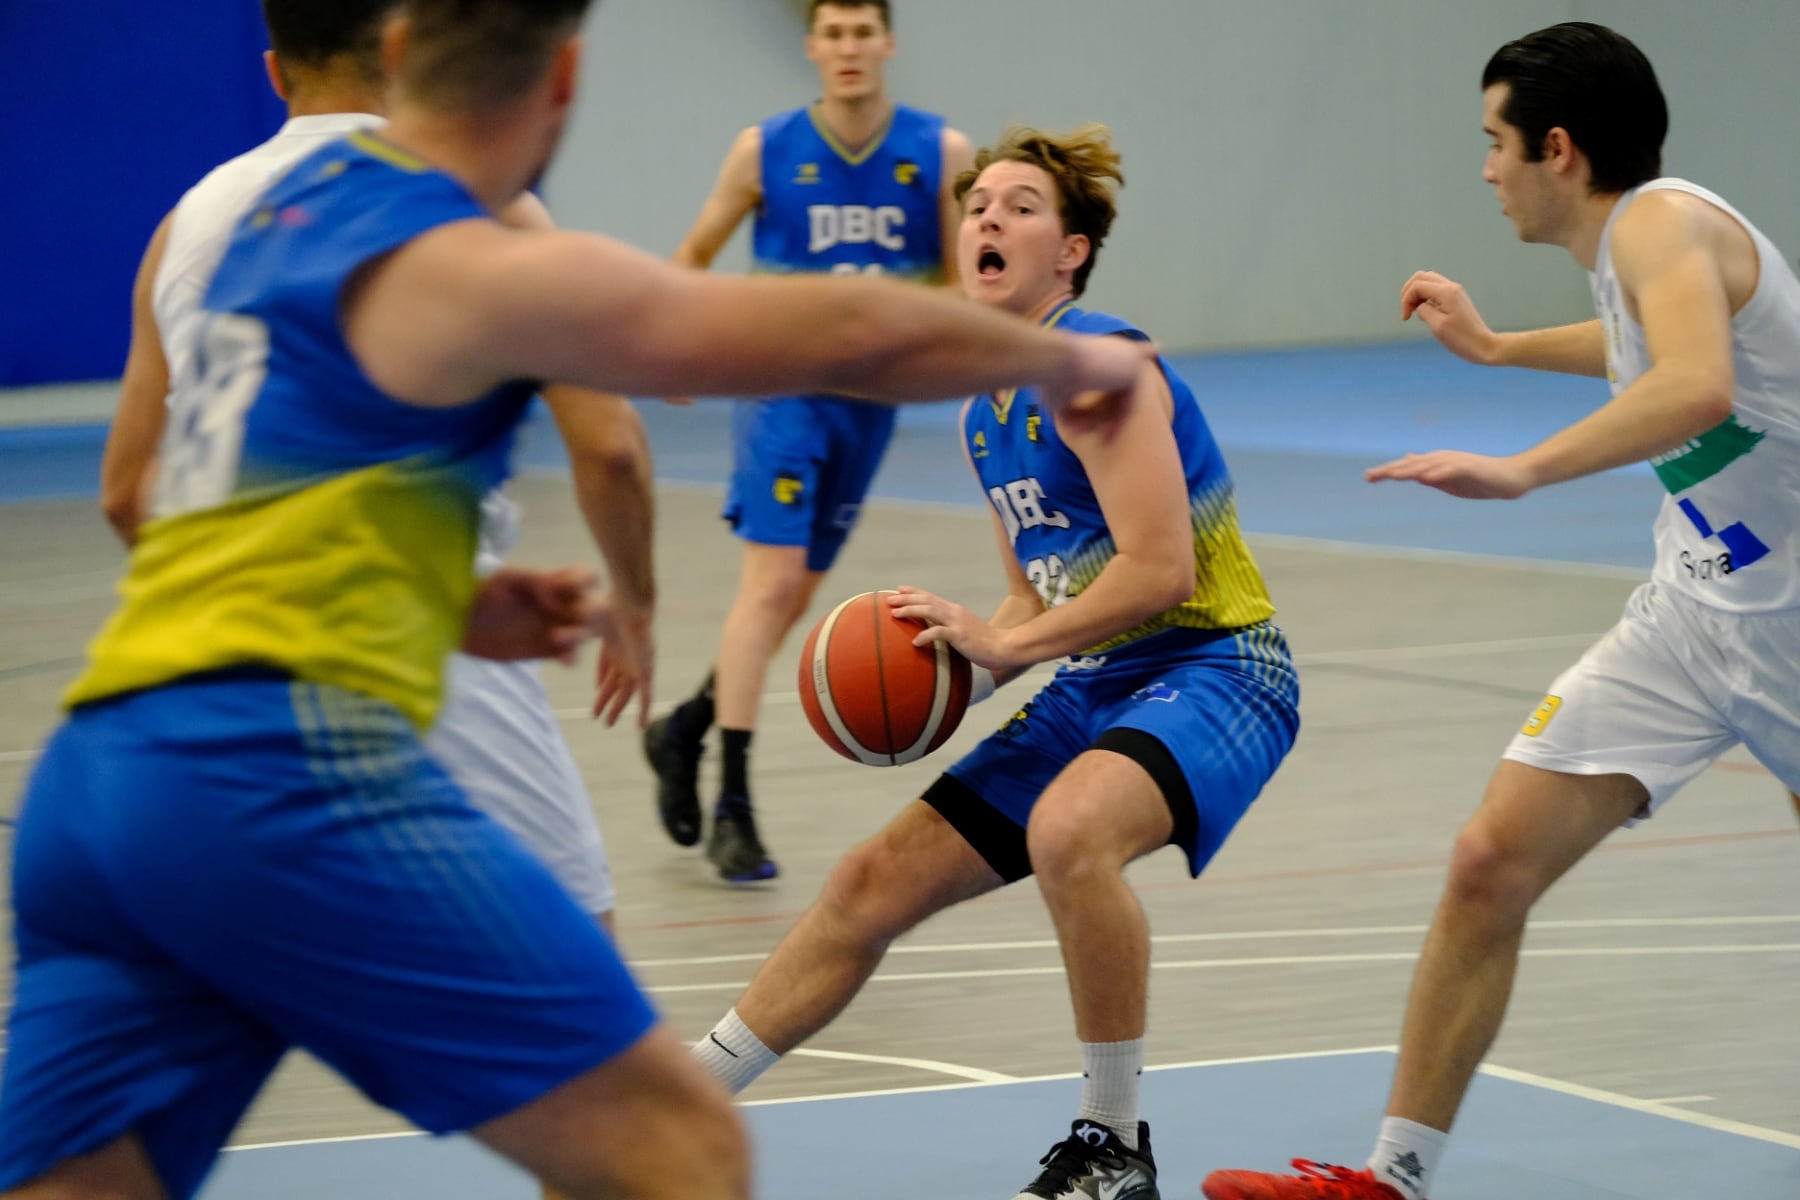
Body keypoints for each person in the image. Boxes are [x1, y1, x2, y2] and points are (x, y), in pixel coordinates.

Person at [0, 0, 1154, 1195]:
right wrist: (1072, 357)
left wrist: (446, 599)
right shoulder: (471, 250)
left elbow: (151, 497)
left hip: (98, 783)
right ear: (564, 78)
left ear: (397, 55)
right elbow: (844, 330)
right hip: (273, 774)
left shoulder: (244, 230)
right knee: (680, 1151)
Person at [1202, 22, 1800, 1200]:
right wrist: (1497, 348)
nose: (1485, 169)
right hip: (1694, 614)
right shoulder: (1634, 251)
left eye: (1494, 142)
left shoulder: (1663, 219)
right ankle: (1392, 1177)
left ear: (1559, 150)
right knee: (1488, 861)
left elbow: (1694, 383)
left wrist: (1522, 469)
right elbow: (1645, 348)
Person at [686, 125, 1300, 1200]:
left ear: (1070, 252)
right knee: (867, 883)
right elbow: (1040, 590)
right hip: (1102, 679)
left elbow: (1159, 571)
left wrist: (1011, 642)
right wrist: (958, 659)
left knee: (1071, 830)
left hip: (1221, 666)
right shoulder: (987, 407)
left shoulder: (1099, 366)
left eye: (1020, 206)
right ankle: (684, 1102)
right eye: (978, 207)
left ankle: (1114, 1147)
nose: (987, 220)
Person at [98, 0, 646, 938]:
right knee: (571, 965)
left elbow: (125, 492)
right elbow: (610, 443)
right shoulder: (471, 198)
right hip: (419, 631)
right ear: (407, 55)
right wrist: (632, 601)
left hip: (213, 663)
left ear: (275, 72)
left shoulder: (185, 225)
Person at [642, 0, 975, 883]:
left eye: (864, 32)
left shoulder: (939, 153)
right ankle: (734, 807)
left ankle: (685, 727)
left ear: (890, 44)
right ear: (812, 50)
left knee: (791, 600)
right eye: (834, 34)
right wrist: (668, 344)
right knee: (773, 586)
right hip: (782, 395)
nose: (850, 49)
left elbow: (960, 280)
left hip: (870, 407)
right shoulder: (766, 149)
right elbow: (694, 252)